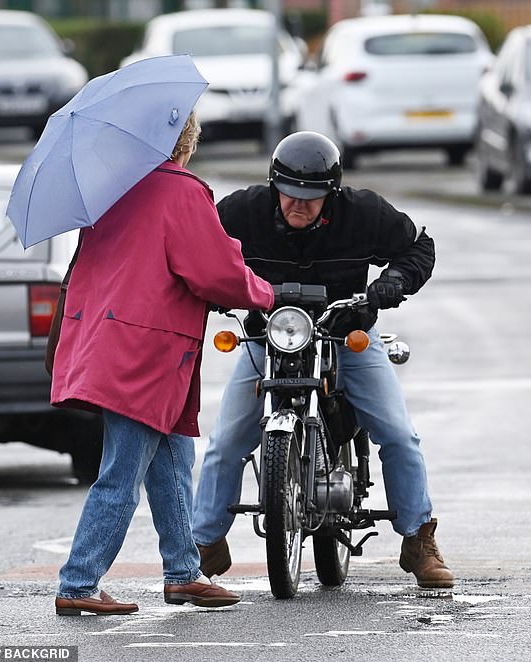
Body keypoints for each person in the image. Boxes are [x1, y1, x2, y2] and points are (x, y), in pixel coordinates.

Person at [193, 130, 454, 590]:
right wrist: (213, 290)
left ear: (331, 194)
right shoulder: (239, 212)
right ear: (274, 187)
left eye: (311, 198)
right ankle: (205, 543)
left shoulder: (364, 213)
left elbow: (419, 248)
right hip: (269, 335)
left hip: (346, 331)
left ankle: (419, 539)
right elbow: (199, 255)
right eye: (290, 195)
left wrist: (390, 285)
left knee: (397, 433)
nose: (299, 205)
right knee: (226, 438)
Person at [50, 112, 274, 616]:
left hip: (109, 340)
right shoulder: (180, 190)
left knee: (173, 458)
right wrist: (265, 293)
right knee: (122, 472)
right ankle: (79, 581)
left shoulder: (110, 190)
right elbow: (214, 272)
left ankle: (183, 572)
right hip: (147, 353)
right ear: (185, 140)